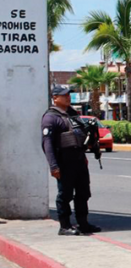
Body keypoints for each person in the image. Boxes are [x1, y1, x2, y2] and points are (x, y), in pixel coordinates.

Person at [41, 85, 101, 236]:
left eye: (68, 95)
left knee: (83, 193)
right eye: (64, 95)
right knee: (65, 195)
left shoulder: (73, 114)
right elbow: (47, 144)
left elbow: (81, 135)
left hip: (79, 160)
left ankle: (83, 223)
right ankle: (65, 225)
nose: (68, 97)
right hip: (64, 161)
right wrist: (54, 166)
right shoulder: (50, 117)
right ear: (55, 98)